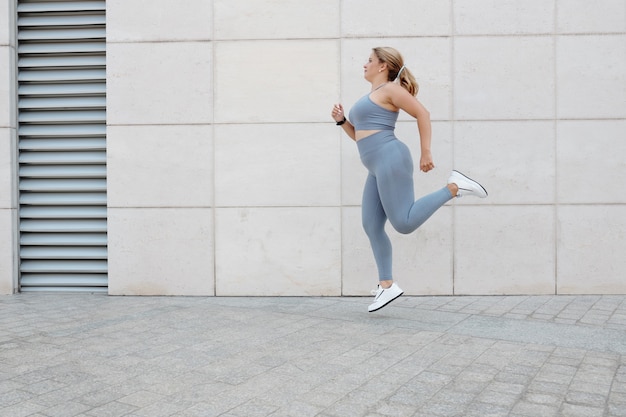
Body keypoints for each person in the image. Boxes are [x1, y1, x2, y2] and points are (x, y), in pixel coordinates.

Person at [331, 47, 487, 313]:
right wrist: (343, 121)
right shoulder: (373, 95)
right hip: (375, 165)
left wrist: (426, 151)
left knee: (403, 223)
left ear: (383, 66)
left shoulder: (391, 90)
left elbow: (423, 114)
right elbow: (360, 136)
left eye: (369, 60)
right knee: (371, 224)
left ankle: (455, 186)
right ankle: (387, 285)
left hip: (390, 157)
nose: (364, 64)